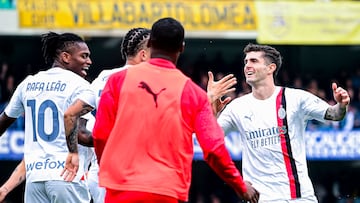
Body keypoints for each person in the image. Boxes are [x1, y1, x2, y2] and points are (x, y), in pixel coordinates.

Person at [62, 17, 260, 203]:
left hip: (120, 187)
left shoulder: (116, 81)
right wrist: (240, 186)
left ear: (150, 45)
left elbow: (101, 134)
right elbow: (213, 148)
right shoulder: (192, 93)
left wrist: (109, 169)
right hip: (165, 189)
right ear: (182, 47)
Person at [207, 43, 350, 202]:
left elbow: (334, 114)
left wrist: (341, 105)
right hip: (260, 199)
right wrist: (210, 111)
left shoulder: (296, 98)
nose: (247, 65)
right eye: (246, 61)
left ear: (271, 68)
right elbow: (210, 139)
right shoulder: (237, 107)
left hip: (299, 198)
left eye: (254, 61)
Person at [0, 32, 93, 203]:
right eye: (84, 56)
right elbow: (82, 135)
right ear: (65, 57)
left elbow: (2, 122)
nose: (89, 62)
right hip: (67, 174)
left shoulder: (28, 83)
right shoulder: (80, 86)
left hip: (35, 179)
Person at [82, 27, 151, 203]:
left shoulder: (103, 77)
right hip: (129, 173)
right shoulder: (145, 81)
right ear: (143, 55)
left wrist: (95, 144)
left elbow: (73, 116)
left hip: (99, 174)